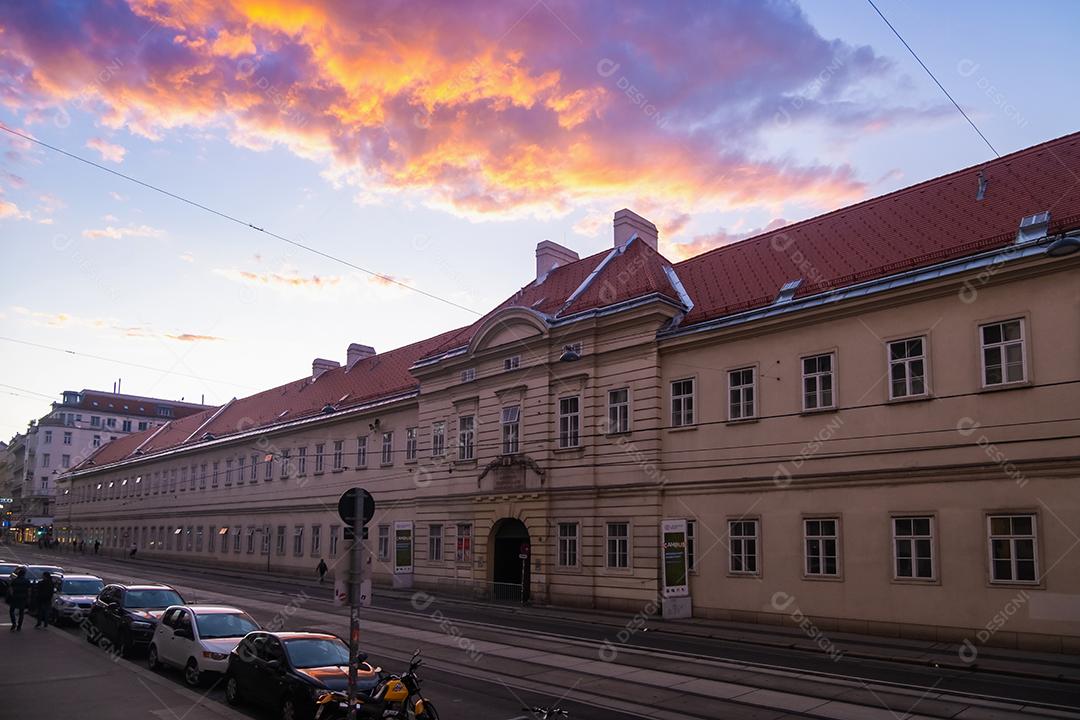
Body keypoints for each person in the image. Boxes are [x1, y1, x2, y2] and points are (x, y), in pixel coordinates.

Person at [8, 567, 30, 632]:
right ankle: (19, 626)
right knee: (21, 612)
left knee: (11, 611)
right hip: (23, 598)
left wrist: (12, 595)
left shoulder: (15, 581)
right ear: (24, 574)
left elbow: (11, 588)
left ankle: (14, 623)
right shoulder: (27, 581)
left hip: (15, 597)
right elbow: (29, 590)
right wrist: (28, 597)